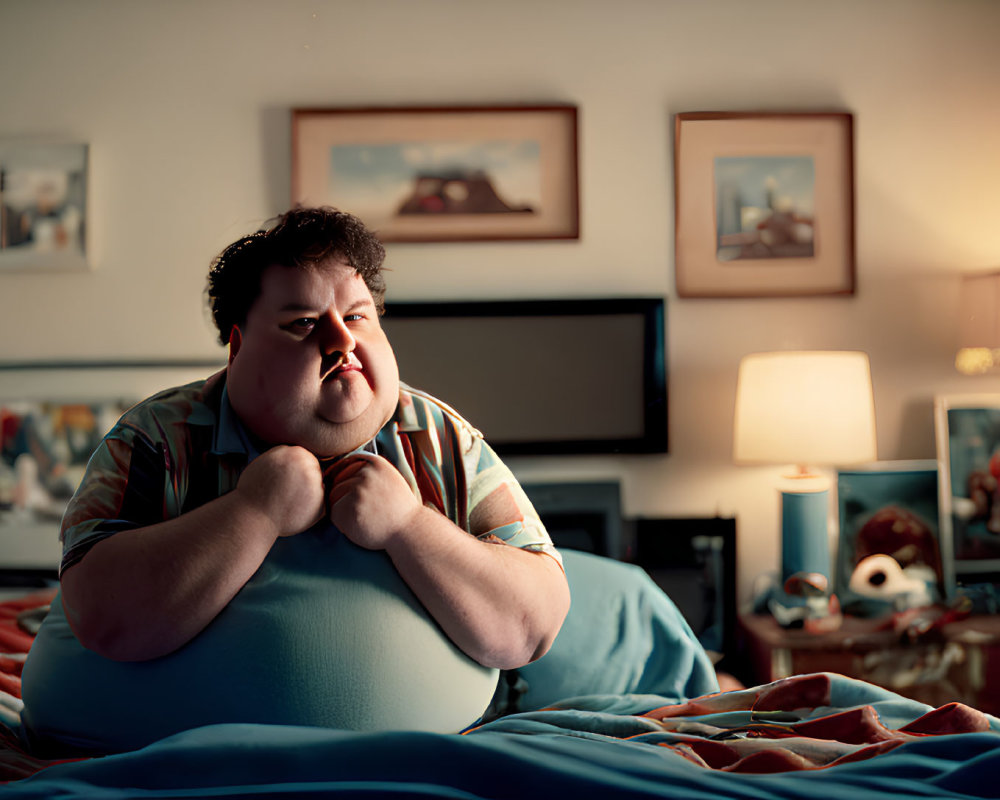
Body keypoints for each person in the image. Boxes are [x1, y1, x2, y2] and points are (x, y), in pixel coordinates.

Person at [20, 206, 570, 754]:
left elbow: (534, 623)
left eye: (357, 317)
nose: (341, 341)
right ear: (238, 348)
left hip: (422, 763)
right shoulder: (155, 436)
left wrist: (407, 525)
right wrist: (253, 511)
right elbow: (100, 613)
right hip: (147, 762)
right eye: (303, 323)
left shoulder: (442, 438)